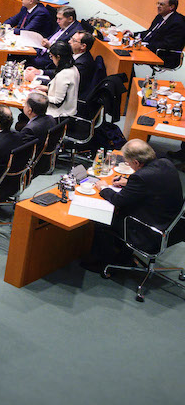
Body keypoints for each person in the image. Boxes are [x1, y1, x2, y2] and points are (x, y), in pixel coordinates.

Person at [81, 139, 184, 272]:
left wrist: (103, 188)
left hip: (150, 232)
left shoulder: (141, 177)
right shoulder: (165, 163)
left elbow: (118, 200)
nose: (129, 165)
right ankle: (123, 254)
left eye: (128, 163)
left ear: (136, 162)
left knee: (103, 221)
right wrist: (128, 182)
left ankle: (104, 263)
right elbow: (153, 183)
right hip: (173, 226)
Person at [29, 41, 79, 118]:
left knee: (29, 105)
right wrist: (46, 88)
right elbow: (64, 91)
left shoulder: (64, 74)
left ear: (58, 57)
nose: (52, 59)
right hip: (69, 109)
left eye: (51, 56)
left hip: (58, 113)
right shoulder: (73, 68)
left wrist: (42, 96)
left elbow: (57, 101)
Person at [137, 0, 185, 68]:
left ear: (171, 7)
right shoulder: (160, 16)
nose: (158, 6)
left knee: (131, 55)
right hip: (151, 48)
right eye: (158, 3)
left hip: (165, 55)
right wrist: (134, 35)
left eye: (161, 4)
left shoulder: (178, 22)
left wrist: (145, 45)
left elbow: (169, 44)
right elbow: (150, 32)